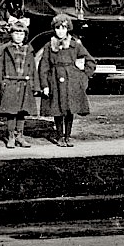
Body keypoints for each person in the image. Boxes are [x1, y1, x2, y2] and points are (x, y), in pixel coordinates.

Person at [38, 14, 97, 147]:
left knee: (70, 109)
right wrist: (45, 85)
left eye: (63, 28)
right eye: (58, 28)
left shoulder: (75, 45)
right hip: (55, 80)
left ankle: (67, 136)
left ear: (68, 29)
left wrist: (83, 77)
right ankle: (59, 137)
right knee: (57, 108)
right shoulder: (49, 46)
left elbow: (90, 61)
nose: (60, 31)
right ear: (54, 29)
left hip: (71, 81)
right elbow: (44, 67)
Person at [0, 21, 39, 149]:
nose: (19, 36)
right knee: (11, 112)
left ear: (25, 35)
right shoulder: (6, 50)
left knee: (21, 112)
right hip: (10, 84)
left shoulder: (29, 50)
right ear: (11, 34)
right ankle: (11, 137)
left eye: (21, 33)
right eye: (16, 33)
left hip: (24, 84)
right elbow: (0, 68)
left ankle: (20, 136)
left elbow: (33, 69)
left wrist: (35, 86)